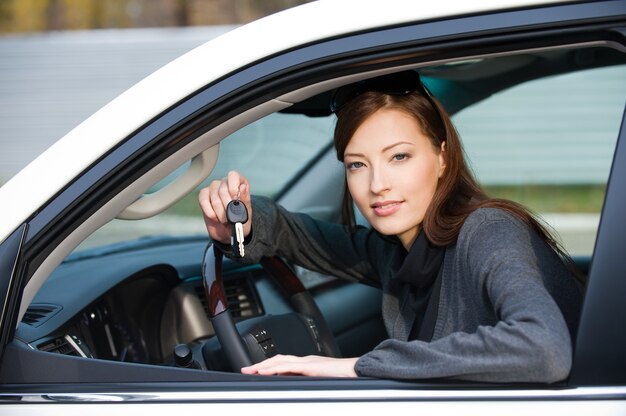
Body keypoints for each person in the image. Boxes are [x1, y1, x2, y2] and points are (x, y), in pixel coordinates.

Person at [198, 70, 582, 382]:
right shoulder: (397, 251)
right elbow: (297, 235)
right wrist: (240, 221)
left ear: (443, 158)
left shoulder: (488, 229)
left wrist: (356, 364)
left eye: (399, 156)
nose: (377, 184)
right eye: (357, 164)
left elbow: (544, 347)